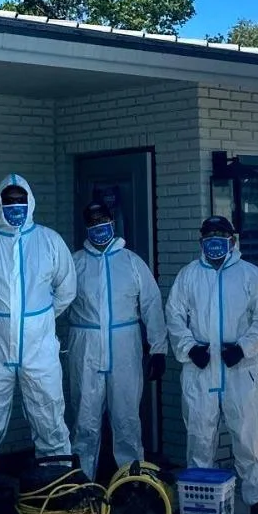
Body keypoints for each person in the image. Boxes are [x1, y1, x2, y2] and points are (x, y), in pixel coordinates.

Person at [0, 174, 76, 481]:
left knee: (50, 419)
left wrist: (38, 322)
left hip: (39, 351)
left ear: (30, 202)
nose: (15, 207)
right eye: (9, 201)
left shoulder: (49, 241)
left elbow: (66, 290)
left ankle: (57, 487)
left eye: (21, 200)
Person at [166, 215, 258, 514]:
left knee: (248, 436)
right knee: (199, 436)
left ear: (233, 239)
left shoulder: (250, 275)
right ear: (201, 241)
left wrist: (244, 347)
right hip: (200, 371)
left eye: (220, 234)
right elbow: (174, 315)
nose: (214, 241)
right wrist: (189, 347)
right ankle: (199, 497)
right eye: (209, 235)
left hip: (239, 369)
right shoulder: (189, 275)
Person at [68, 201, 168, 481]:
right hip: (85, 349)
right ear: (86, 227)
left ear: (112, 222)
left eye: (103, 219)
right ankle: (82, 484)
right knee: (84, 421)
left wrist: (159, 348)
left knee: (126, 420)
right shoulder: (75, 263)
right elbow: (55, 303)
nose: (99, 226)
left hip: (124, 349)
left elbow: (151, 305)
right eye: (93, 221)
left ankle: (131, 482)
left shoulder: (131, 262)